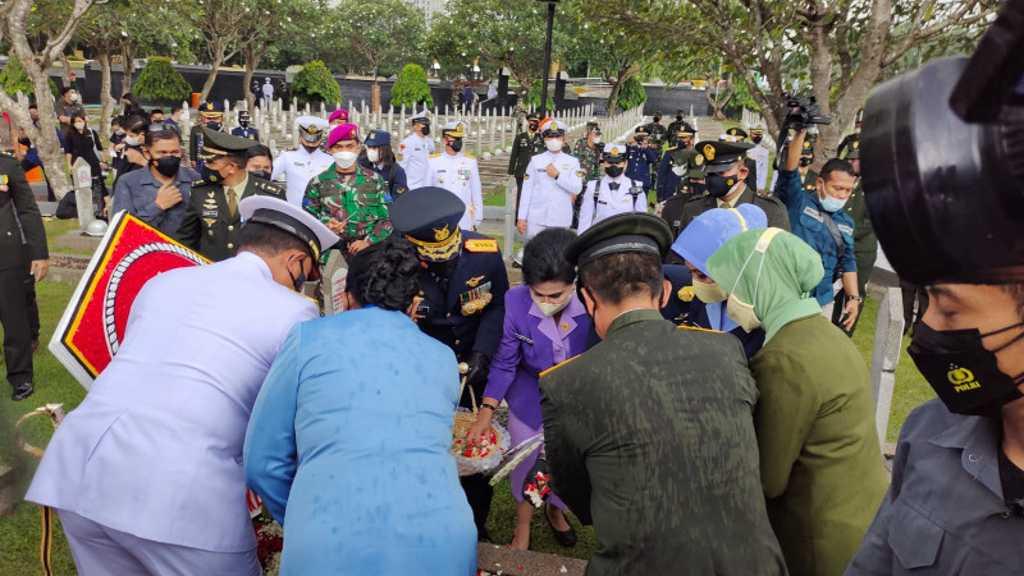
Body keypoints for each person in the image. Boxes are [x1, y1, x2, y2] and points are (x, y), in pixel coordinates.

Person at [26, 196, 339, 576]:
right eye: (304, 275)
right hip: (179, 493)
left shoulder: (166, 281)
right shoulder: (295, 310)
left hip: (80, 470)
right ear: (295, 261)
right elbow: (285, 416)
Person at [541, 213, 787, 575]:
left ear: (587, 298)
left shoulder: (566, 383)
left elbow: (578, 494)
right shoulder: (725, 350)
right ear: (666, 292)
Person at [244, 237, 477, 575]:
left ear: (346, 296)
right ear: (413, 304)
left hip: (328, 543)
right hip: (441, 541)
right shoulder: (442, 358)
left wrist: (303, 514)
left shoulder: (308, 340)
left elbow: (262, 462)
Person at [706, 228, 889, 575]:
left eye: (734, 287)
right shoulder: (827, 333)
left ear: (760, 282)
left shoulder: (783, 359)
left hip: (818, 540)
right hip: (862, 520)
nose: (729, 298)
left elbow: (767, 478)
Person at [390, 187, 509, 542]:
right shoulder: (396, 263)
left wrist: (482, 353)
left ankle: (475, 521)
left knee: (474, 449)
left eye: (449, 250)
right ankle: (426, 516)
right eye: (433, 254)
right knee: (425, 445)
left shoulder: (483, 252)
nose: (444, 258)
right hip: (421, 370)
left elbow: (497, 305)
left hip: (473, 365)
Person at [466, 228, 588, 551]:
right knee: (525, 463)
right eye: (539, 295)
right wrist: (487, 410)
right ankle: (523, 526)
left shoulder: (593, 302)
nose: (547, 302)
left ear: (575, 283)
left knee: (568, 463)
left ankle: (556, 508)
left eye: (557, 296)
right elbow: (505, 362)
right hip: (528, 394)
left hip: (577, 395)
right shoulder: (515, 301)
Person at [775, 129, 860, 328]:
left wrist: (853, 298)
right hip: (787, 294)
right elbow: (789, 173)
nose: (842, 195)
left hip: (821, 301)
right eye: (837, 188)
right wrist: (800, 134)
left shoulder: (846, 223)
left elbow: (848, 261)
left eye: (848, 190)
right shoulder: (799, 202)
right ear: (820, 183)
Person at [670, 205, 769, 358]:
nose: (696, 282)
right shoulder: (703, 301)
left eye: (701, 275)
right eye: (691, 273)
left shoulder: (767, 320)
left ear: (736, 266)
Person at [177, 129, 287, 261]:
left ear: (231, 167)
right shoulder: (200, 192)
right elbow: (186, 241)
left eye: (211, 163)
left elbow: (280, 244)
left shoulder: (271, 195)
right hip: (212, 273)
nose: (206, 167)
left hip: (252, 276)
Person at [303, 123, 392, 255]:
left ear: (358, 148)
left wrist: (368, 241)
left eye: (349, 146)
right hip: (332, 254)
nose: (344, 151)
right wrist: (326, 225)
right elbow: (308, 218)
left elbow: (387, 218)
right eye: (338, 147)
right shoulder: (318, 183)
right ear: (330, 150)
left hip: (369, 253)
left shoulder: (375, 180)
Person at [0, 156, 47, 401]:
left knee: (14, 320)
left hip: (6, 254)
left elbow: (27, 209)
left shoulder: (7, 166)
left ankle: (20, 378)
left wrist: (38, 253)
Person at [675, 140, 789, 238]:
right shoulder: (693, 209)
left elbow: (779, 258)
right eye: (709, 173)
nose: (714, 178)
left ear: (743, 173)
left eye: (721, 172)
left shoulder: (770, 211)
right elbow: (681, 255)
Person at [111, 126, 199, 236]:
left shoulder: (194, 179)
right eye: (162, 152)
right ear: (147, 154)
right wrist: (158, 206)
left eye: (174, 152)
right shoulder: (128, 182)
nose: (169, 157)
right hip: (148, 249)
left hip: (185, 251)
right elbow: (122, 230)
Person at [832, 133, 876, 335]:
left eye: (856, 159)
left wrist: (845, 233)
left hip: (860, 251)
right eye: (849, 158)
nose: (851, 162)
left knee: (854, 294)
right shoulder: (845, 181)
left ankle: (846, 331)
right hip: (838, 246)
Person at [516, 119, 582, 241]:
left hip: (560, 218)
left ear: (563, 138)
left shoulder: (572, 162)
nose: (554, 140)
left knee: (558, 255)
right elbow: (526, 191)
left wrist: (558, 176)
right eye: (550, 137)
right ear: (544, 139)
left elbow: (577, 188)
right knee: (535, 254)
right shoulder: (536, 161)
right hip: (537, 218)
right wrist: (521, 217)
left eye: (557, 136)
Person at [577, 143, 646, 232]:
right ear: (604, 163)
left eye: (618, 163)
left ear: (625, 164)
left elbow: (642, 222)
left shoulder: (636, 188)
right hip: (600, 240)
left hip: (626, 240)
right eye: (610, 162)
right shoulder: (593, 187)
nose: (614, 166)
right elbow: (584, 221)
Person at [428, 120, 483, 231]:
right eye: (455, 139)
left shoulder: (470, 162)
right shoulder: (433, 162)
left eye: (460, 139)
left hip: (464, 219)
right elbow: (427, 192)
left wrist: (477, 219)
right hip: (441, 218)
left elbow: (476, 192)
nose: (458, 142)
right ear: (444, 140)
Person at [271, 115, 333, 206]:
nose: (311, 144)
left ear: (320, 139)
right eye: (308, 139)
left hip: (321, 213)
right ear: (300, 137)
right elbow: (268, 174)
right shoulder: (287, 157)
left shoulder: (330, 160)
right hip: (293, 211)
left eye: (315, 139)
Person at [63, 111, 108, 217]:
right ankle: (84, 211)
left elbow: (99, 149)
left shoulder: (91, 133)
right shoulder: (70, 135)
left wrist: (104, 161)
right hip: (78, 164)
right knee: (82, 188)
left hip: (93, 163)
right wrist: (69, 165)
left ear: (84, 121)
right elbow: (68, 152)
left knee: (99, 186)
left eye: (80, 120)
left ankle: (102, 209)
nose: (78, 123)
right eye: (76, 121)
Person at [508, 112, 544, 214]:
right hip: (521, 171)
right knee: (521, 194)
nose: (533, 123)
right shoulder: (520, 137)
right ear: (528, 122)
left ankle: (531, 216)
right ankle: (518, 217)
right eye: (532, 121)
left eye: (536, 122)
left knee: (534, 195)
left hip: (536, 172)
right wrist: (511, 171)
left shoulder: (541, 138)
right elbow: (514, 154)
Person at [655, 123, 699, 204]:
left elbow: (698, 179)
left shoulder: (697, 155)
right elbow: (662, 175)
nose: (681, 140)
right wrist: (660, 195)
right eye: (679, 137)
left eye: (684, 137)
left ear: (692, 139)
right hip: (670, 195)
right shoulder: (670, 153)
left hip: (689, 196)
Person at [359, 129, 407, 201]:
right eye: (369, 147)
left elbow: (399, 201)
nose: (370, 151)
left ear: (385, 149)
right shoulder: (361, 165)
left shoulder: (396, 172)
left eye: (374, 148)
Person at [570, 122, 602, 228]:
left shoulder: (598, 148)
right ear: (589, 134)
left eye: (598, 135)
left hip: (591, 180)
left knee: (587, 203)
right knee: (576, 201)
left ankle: (583, 224)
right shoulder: (581, 144)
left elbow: (598, 165)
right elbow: (575, 160)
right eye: (595, 134)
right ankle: (573, 223)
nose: (597, 137)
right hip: (579, 178)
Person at [399, 111, 434, 190]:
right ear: (415, 126)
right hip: (412, 186)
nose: (426, 126)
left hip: (427, 185)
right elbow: (402, 165)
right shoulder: (407, 142)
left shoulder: (430, 141)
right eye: (423, 124)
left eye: (427, 124)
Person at [189, 101, 225, 174]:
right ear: (201, 117)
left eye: (215, 118)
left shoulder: (221, 130)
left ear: (221, 118)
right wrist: (193, 159)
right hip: (200, 160)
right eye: (208, 118)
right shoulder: (196, 129)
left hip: (216, 159)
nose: (211, 120)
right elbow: (193, 145)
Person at [113, 114, 149, 181]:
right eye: (126, 135)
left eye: (131, 136)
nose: (127, 138)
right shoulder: (128, 146)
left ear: (142, 134)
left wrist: (142, 161)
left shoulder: (152, 150)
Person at [748, 128, 770, 193]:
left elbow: (764, 169)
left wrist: (761, 186)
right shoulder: (745, 146)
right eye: (755, 134)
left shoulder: (764, 150)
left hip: (756, 183)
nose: (757, 136)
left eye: (759, 134)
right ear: (750, 134)